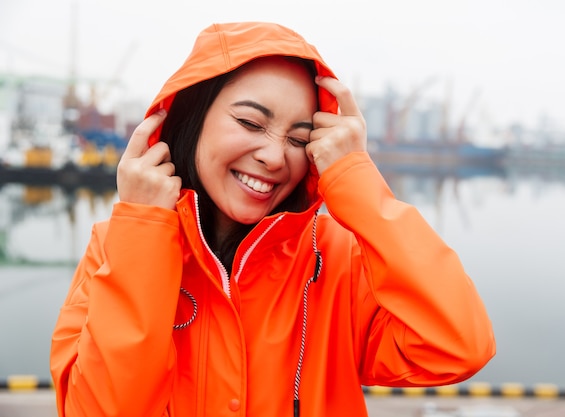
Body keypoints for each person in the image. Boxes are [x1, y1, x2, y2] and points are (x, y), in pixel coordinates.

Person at [50, 21, 495, 417]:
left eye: (300, 139)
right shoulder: (120, 247)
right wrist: (143, 235)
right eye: (250, 122)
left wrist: (356, 180)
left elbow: (457, 347)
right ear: (192, 117)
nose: (274, 156)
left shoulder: (336, 258)